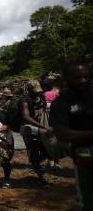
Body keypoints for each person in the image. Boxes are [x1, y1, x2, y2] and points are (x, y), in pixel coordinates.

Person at [50, 62, 93, 210]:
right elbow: (61, 133)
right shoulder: (62, 102)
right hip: (85, 154)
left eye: (85, 76)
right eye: (77, 77)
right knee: (88, 199)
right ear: (67, 78)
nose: (82, 80)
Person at [19, 79, 52, 186]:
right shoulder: (25, 100)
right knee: (34, 154)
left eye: (39, 90)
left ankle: (36, 165)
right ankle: (41, 177)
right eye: (35, 91)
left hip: (42, 129)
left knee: (46, 150)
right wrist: (42, 126)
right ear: (29, 90)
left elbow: (45, 111)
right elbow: (26, 117)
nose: (38, 92)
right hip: (30, 131)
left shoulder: (41, 97)